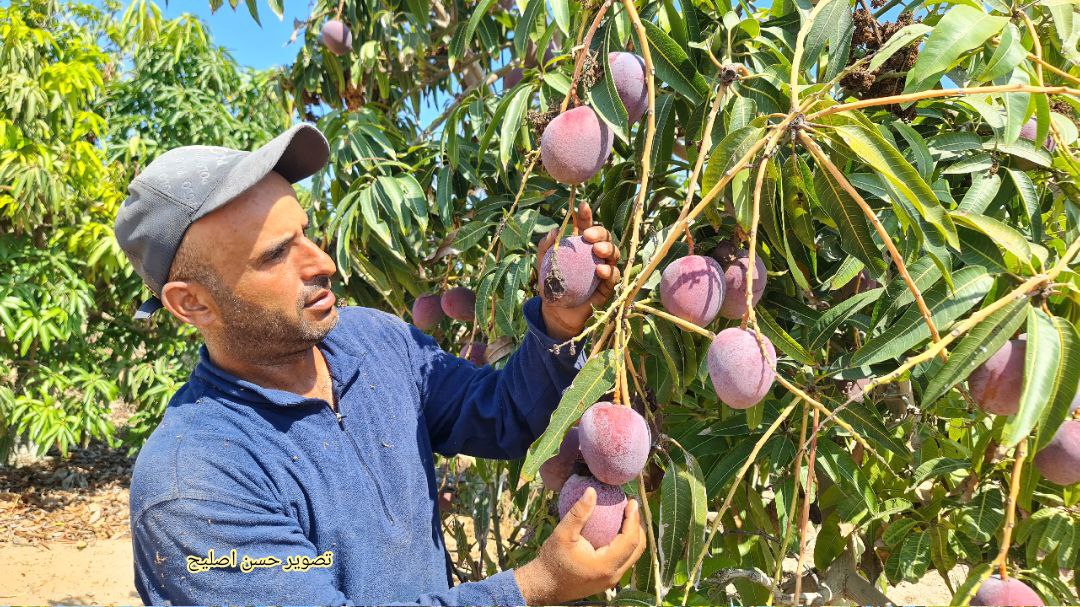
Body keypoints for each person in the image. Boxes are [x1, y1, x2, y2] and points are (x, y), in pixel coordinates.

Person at [113, 124, 646, 605]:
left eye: (305, 232)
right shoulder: (195, 486)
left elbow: (505, 417)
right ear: (192, 304)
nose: (322, 261)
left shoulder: (371, 341)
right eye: (276, 254)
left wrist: (557, 319)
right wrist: (534, 587)